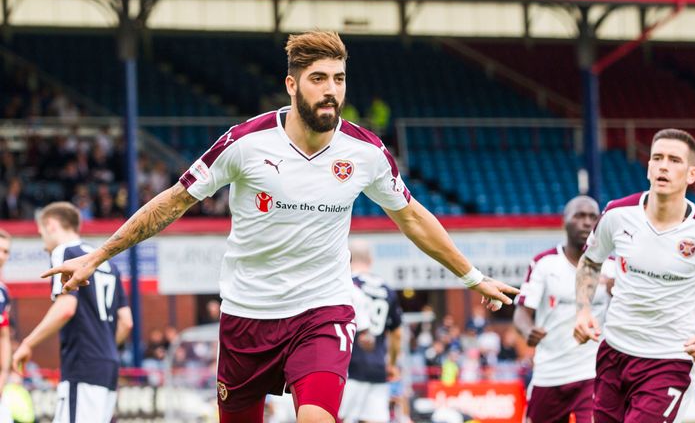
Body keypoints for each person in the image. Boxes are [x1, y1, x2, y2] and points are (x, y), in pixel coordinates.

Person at [42, 31, 517, 423]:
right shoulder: (245, 143)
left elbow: (412, 216)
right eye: (318, 79)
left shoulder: (367, 153)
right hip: (247, 314)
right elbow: (173, 201)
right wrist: (99, 255)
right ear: (292, 85)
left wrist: (472, 276)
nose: (331, 90)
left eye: (338, 79)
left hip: (322, 310)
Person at [573, 129, 695, 423]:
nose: (663, 166)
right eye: (657, 158)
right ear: (649, 168)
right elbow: (590, 262)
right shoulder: (616, 214)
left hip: (669, 361)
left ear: (691, 174)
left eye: (674, 160)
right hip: (613, 352)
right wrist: (582, 310)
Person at [12, 202, 133, 423]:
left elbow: (66, 308)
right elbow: (126, 322)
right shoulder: (106, 262)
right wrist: (102, 346)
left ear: (51, 225)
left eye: (41, 234)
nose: (43, 245)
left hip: (83, 364)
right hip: (108, 366)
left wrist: (28, 343)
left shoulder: (65, 252)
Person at [514, 196, 615, 423]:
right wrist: (528, 330)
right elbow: (522, 313)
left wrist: (618, 293)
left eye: (593, 217)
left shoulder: (611, 267)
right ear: (564, 221)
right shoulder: (544, 263)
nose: (587, 222)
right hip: (549, 373)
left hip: (593, 373)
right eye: (579, 216)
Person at [339, 239, 403, 423]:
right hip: (377, 367)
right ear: (371, 260)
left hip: (348, 367)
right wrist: (391, 363)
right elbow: (397, 334)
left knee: (341, 418)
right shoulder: (387, 290)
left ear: (348, 258)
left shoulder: (346, 285)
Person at [0, 230, 11, 402]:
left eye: (6, 251)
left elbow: (4, 336)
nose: (2, 256)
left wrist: (3, 376)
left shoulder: (3, 292)